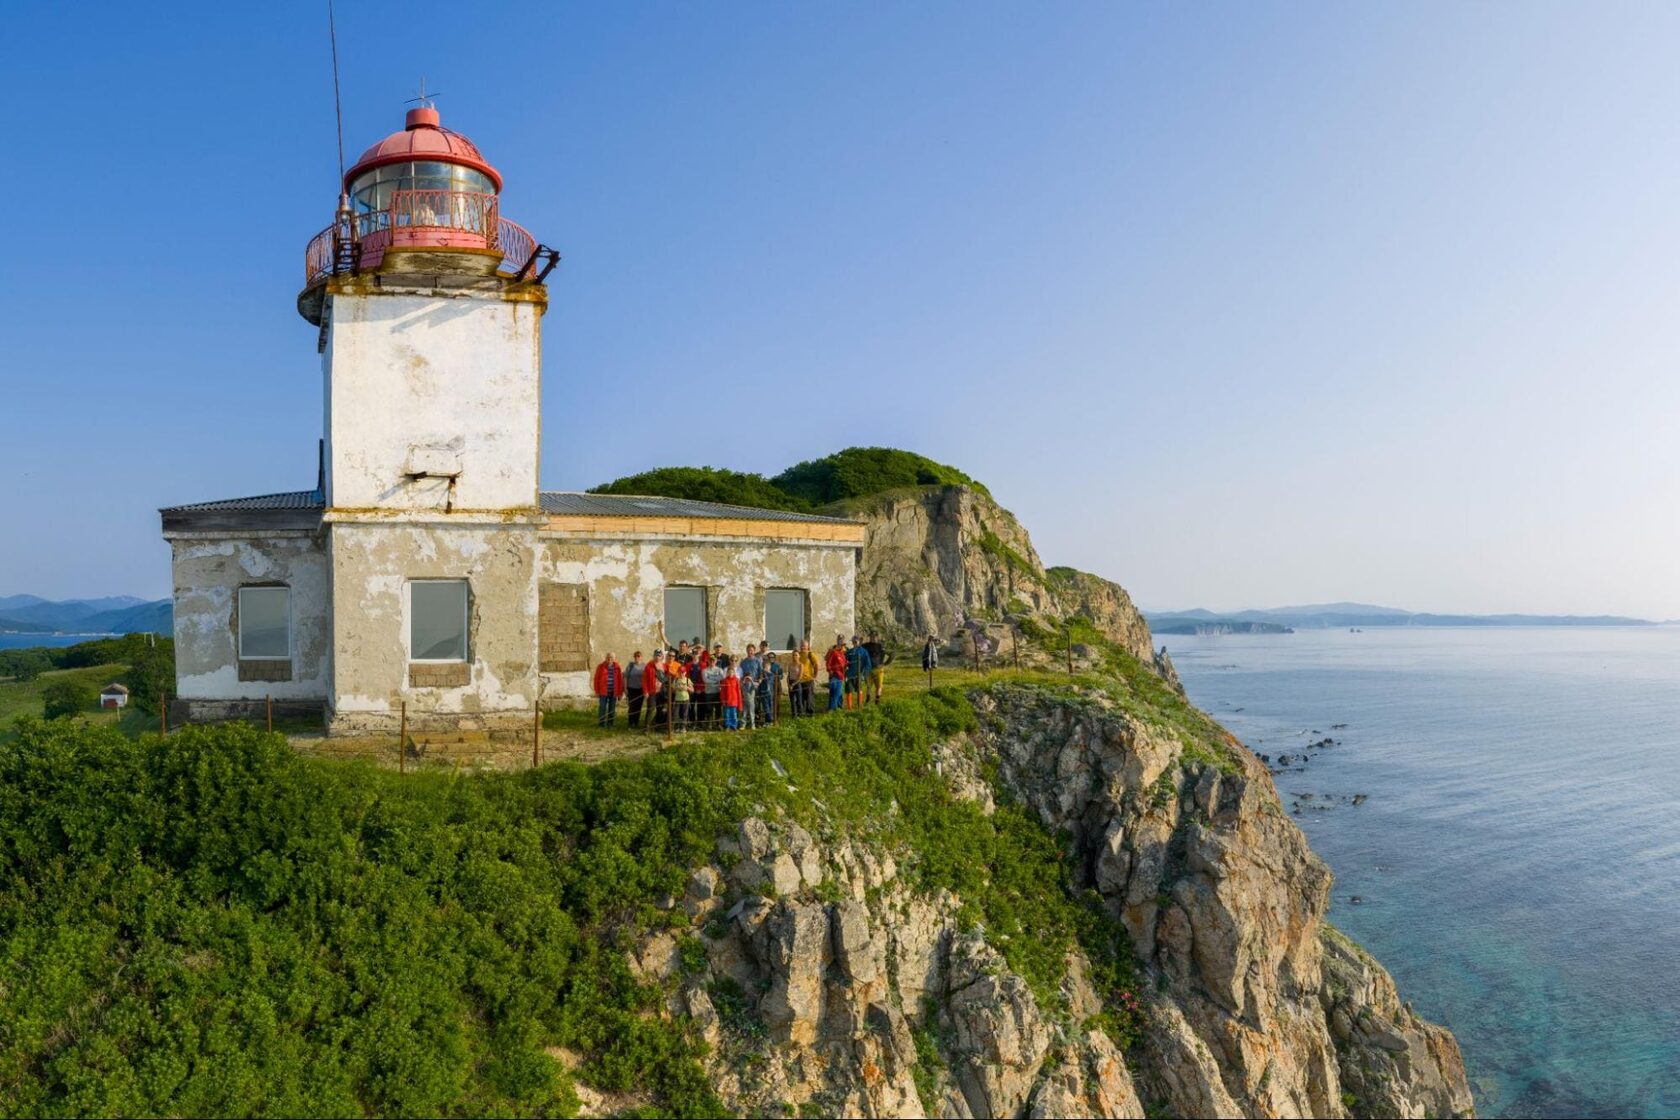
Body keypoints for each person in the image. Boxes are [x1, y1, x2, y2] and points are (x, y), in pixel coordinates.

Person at [593, 652, 626, 727]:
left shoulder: (617, 667)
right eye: (608, 657)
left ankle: (610, 724)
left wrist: (620, 693)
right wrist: (596, 691)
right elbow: (596, 679)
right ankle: (601, 724)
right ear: (606, 658)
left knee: (612, 709)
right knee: (602, 708)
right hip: (603, 691)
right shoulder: (601, 666)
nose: (609, 659)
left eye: (611, 657)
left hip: (613, 692)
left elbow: (620, 681)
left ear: (614, 658)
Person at [845, 636, 872, 709]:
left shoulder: (864, 651)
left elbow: (868, 664)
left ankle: (859, 707)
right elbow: (844, 661)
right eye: (853, 641)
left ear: (859, 642)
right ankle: (849, 709)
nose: (854, 643)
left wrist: (864, 673)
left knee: (859, 690)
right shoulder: (849, 652)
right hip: (850, 675)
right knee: (849, 691)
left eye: (856, 641)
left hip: (859, 675)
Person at [739, 643, 762, 729]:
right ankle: (745, 722)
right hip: (745, 685)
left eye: (752, 650)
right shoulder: (743, 662)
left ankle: (755, 722)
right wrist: (742, 682)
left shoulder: (757, 661)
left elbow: (761, 672)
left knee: (754, 704)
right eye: (749, 650)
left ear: (754, 651)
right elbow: (741, 674)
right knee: (745, 704)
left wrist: (760, 680)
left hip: (754, 685)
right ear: (746, 651)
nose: (750, 652)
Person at [644, 648, 666, 730]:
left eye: (659, 655)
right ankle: (646, 727)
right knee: (651, 709)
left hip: (661, 692)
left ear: (662, 656)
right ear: (653, 656)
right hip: (652, 692)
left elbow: (667, 678)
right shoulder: (649, 666)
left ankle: (656, 724)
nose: (657, 657)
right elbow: (644, 680)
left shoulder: (664, 666)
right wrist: (645, 691)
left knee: (660, 709)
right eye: (656, 655)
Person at [702, 653, 726, 730]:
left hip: (717, 692)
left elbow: (722, 677)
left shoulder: (719, 670)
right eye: (710, 660)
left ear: (716, 661)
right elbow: (706, 680)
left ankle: (718, 724)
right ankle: (709, 724)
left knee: (718, 709)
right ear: (708, 661)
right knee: (709, 709)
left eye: (713, 660)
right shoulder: (704, 670)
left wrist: (711, 679)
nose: (712, 662)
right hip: (708, 692)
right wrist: (716, 680)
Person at [863, 632, 888, 703]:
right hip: (868, 669)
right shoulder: (865, 646)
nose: (872, 638)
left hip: (878, 669)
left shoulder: (880, 646)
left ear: (877, 637)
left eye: (874, 636)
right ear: (869, 637)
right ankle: (868, 699)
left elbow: (891, 654)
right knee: (868, 685)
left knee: (879, 686)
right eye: (871, 636)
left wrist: (885, 664)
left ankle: (877, 700)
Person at [797, 640, 820, 716]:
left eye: (804, 646)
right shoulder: (798, 655)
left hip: (808, 679)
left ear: (808, 646)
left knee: (809, 697)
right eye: (801, 645)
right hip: (799, 680)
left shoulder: (811, 654)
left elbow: (817, 665)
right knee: (800, 697)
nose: (802, 647)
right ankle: (800, 712)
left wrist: (815, 676)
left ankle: (810, 713)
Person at [825, 636, 848, 711]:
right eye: (839, 639)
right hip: (834, 676)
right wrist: (830, 671)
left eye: (842, 640)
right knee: (834, 693)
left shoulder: (844, 653)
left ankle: (838, 708)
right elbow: (828, 662)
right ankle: (832, 709)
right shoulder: (833, 651)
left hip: (842, 676)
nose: (840, 641)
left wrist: (847, 672)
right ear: (837, 640)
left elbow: (846, 664)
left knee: (839, 693)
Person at [719, 659, 743, 731]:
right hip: (727, 700)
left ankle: (734, 725)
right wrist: (723, 700)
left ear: (734, 673)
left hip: (734, 701)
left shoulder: (736, 680)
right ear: (727, 673)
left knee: (734, 714)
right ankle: (727, 725)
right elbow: (722, 692)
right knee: (727, 714)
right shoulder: (724, 681)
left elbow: (738, 691)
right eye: (729, 672)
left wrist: (739, 702)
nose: (730, 673)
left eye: (732, 672)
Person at [783, 644, 806, 717]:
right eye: (793, 655)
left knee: (799, 700)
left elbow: (800, 677)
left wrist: (793, 684)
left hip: (797, 683)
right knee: (792, 700)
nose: (794, 656)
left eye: (796, 655)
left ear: (799, 656)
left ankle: (800, 715)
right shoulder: (790, 664)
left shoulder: (801, 665)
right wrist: (788, 684)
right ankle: (794, 715)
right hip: (791, 682)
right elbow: (789, 675)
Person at [672, 655, 694, 730]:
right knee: (676, 714)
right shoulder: (676, 680)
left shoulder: (688, 680)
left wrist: (687, 688)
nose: (681, 674)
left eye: (683, 672)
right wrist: (677, 688)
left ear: (685, 672)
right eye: (680, 672)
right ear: (678, 672)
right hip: (677, 699)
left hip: (686, 699)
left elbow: (692, 690)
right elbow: (673, 690)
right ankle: (676, 726)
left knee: (685, 714)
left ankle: (683, 727)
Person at [625, 651, 646, 728]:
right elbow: (625, 677)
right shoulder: (630, 665)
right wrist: (625, 688)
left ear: (641, 657)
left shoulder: (644, 666)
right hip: (631, 689)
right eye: (636, 656)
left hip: (640, 689)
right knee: (632, 706)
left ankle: (636, 723)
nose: (637, 658)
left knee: (638, 707)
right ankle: (630, 723)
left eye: (639, 656)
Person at [761, 652, 782, 723]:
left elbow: (781, 675)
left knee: (776, 702)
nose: (771, 658)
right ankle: (768, 720)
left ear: (774, 658)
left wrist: (776, 677)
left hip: (776, 685)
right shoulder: (764, 666)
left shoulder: (777, 666)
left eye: (772, 657)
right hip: (766, 688)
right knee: (767, 705)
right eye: (769, 657)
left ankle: (775, 718)